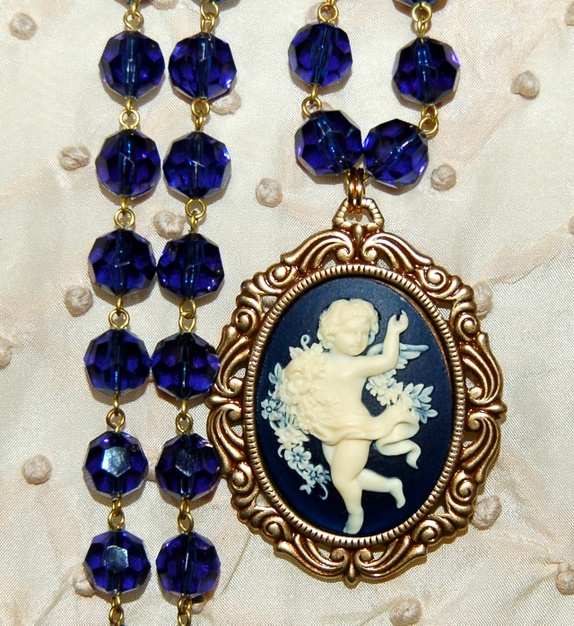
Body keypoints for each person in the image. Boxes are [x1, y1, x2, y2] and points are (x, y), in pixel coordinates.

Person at [279, 299, 421, 535]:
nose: (358, 339)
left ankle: (356, 514)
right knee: (347, 475)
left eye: (364, 333)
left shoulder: (358, 366)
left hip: (356, 427)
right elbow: (293, 375)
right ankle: (391, 485)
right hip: (327, 428)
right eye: (351, 332)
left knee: (342, 479)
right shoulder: (316, 361)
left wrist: (394, 331)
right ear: (331, 332)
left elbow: (388, 360)